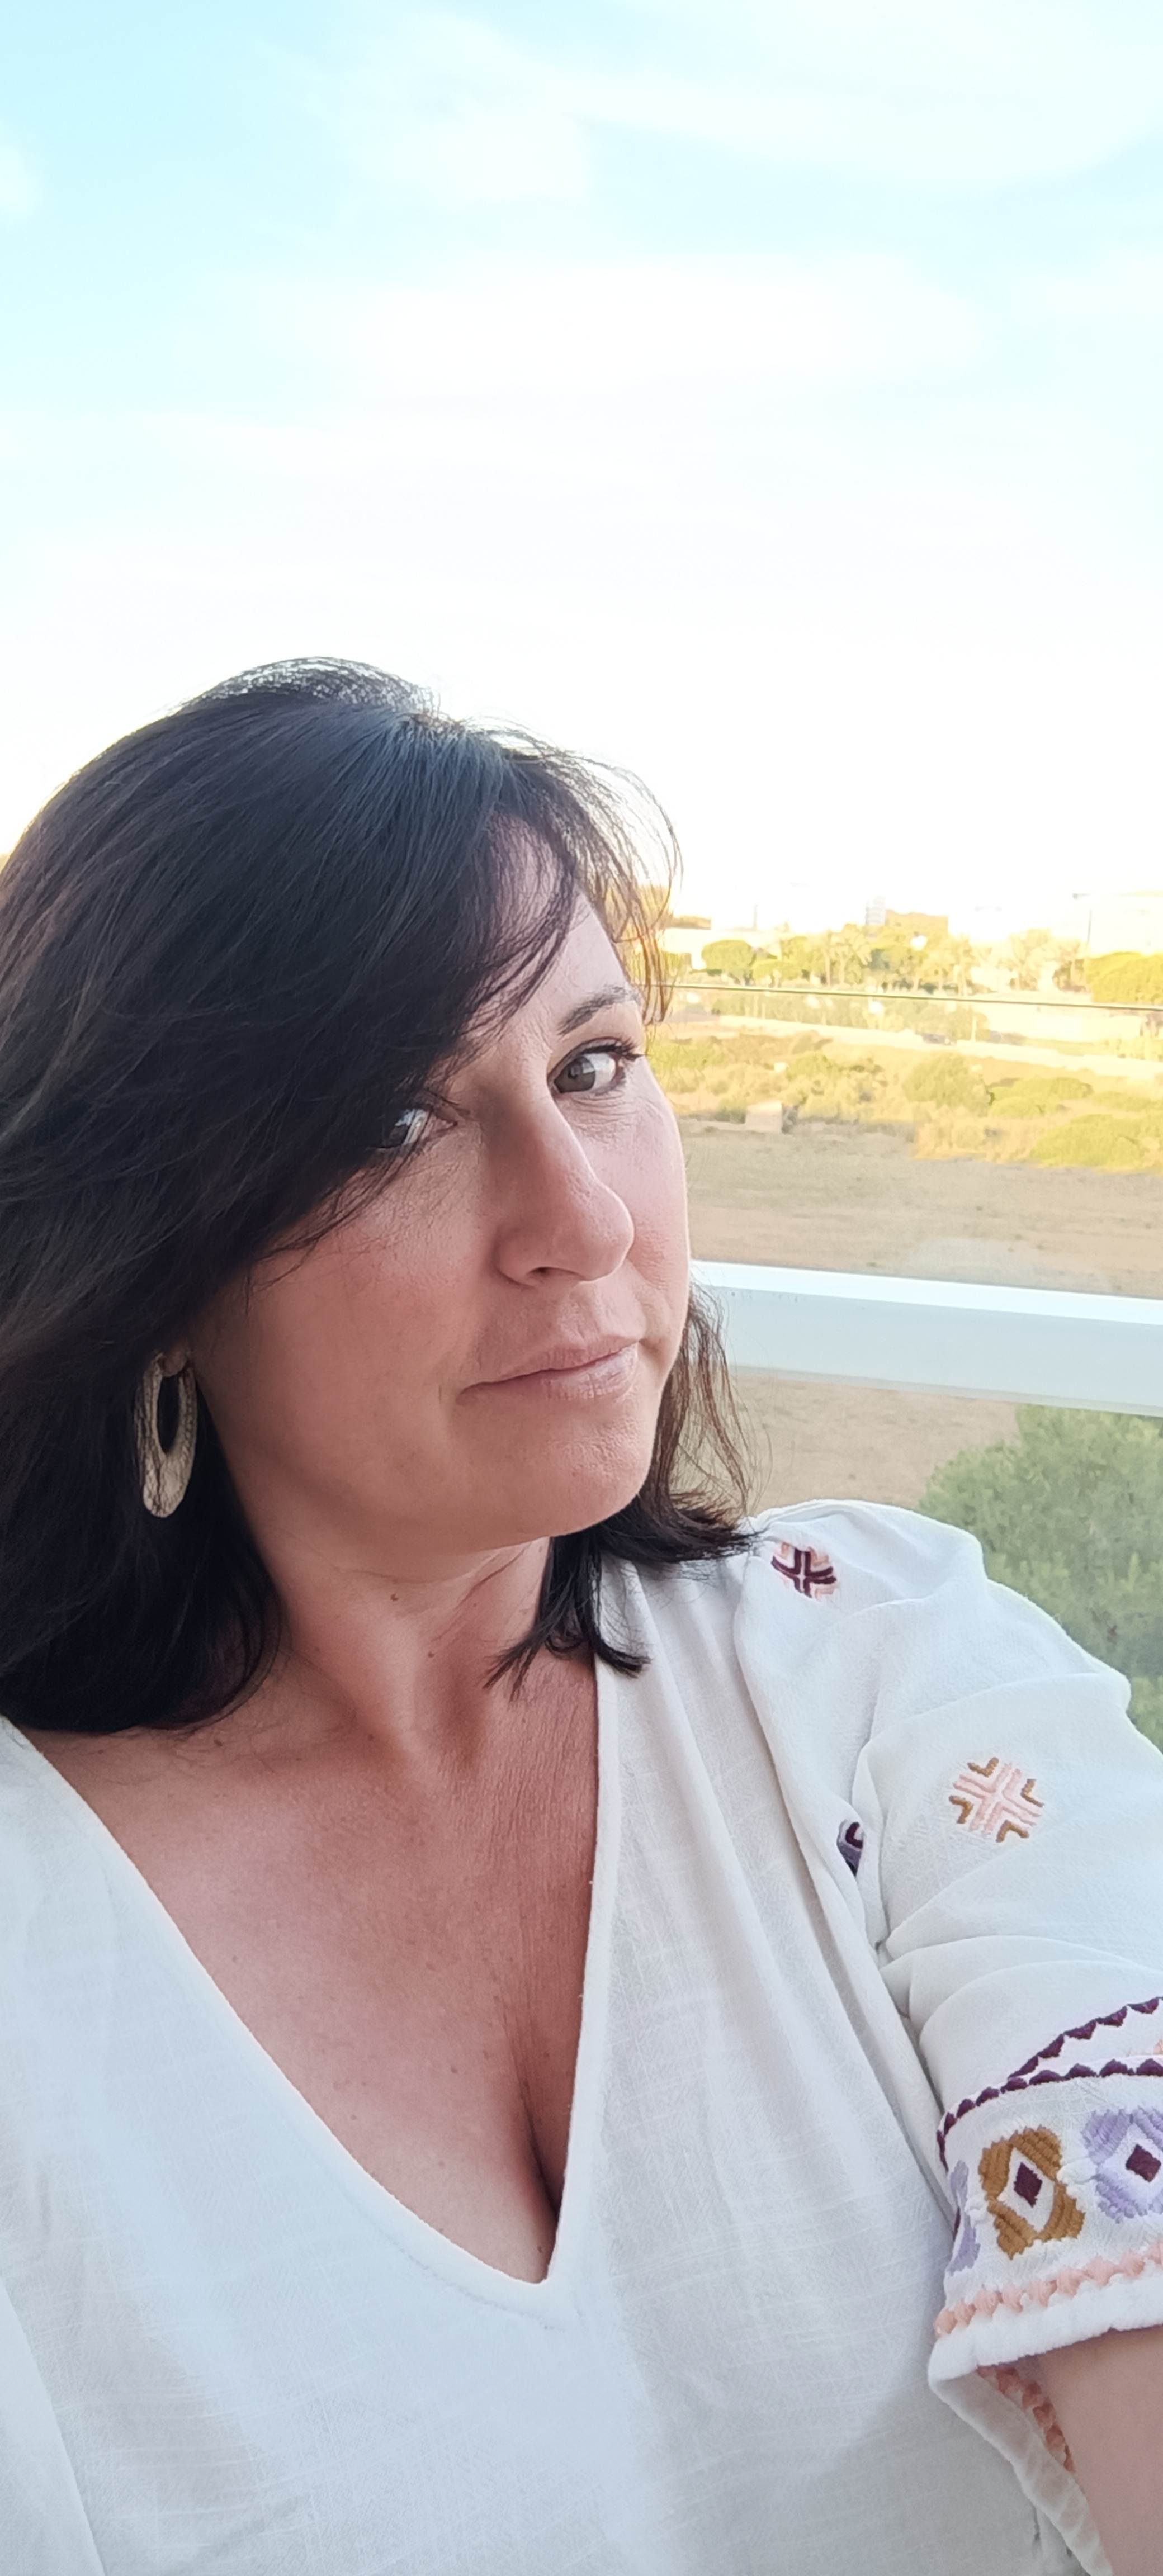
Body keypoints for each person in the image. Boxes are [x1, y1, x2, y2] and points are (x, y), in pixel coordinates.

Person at [1, 661, 1162, 2576]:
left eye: (595, 1065)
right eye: (393, 1117)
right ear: (152, 1251)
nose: (588, 1221)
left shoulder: (878, 1672)